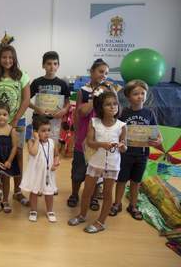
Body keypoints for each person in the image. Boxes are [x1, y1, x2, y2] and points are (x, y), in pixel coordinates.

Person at [68, 90, 127, 233]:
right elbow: (89, 142)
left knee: (107, 194)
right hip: (95, 163)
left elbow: (124, 147)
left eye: (115, 104)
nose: (113, 107)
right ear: (100, 107)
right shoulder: (94, 122)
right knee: (87, 191)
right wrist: (102, 145)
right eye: (108, 104)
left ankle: (101, 222)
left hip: (112, 165)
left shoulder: (122, 126)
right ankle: (82, 215)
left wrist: (122, 146)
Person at [110, 80, 162, 220]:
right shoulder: (123, 113)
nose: (140, 96)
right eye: (135, 94)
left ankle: (133, 205)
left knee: (136, 181)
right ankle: (117, 203)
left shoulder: (149, 113)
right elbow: (116, 131)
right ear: (128, 97)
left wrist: (158, 141)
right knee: (121, 180)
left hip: (142, 154)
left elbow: (157, 135)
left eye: (142, 93)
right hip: (125, 154)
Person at [0, 45, 30, 205]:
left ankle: (18, 191)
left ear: (15, 58)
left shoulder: (22, 76)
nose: (7, 60)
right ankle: (0, 193)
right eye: (4, 57)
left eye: (10, 57)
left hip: (17, 123)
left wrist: (15, 120)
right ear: (0, 59)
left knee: (17, 156)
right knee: (0, 155)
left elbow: (26, 100)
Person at [67, 59, 110, 210]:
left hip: (101, 139)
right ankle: (74, 194)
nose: (103, 75)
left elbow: (114, 112)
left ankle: (93, 197)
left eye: (106, 73)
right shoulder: (83, 91)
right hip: (84, 138)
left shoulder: (109, 92)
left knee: (98, 170)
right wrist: (95, 96)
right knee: (78, 169)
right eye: (100, 71)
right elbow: (81, 113)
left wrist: (106, 94)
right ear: (91, 72)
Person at [20, 116, 60, 222]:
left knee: (49, 192)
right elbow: (33, 152)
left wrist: (56, 163)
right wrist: (37, 138)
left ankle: (50, 210)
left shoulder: (52, 142)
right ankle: (33, 210)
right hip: (36, 173)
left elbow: (56, 155)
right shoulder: (31, 142)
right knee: (34, 192)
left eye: (48, 130)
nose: (47, 133)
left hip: (48, 173)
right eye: (43, 131)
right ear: (36, 132)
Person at [29, 51, 70, 142]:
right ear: (43, 65)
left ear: (58, 65)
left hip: (54, 121)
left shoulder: (62, 84)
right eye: (49, 64)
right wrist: (37, 108)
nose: (52, 67)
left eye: (55, 64)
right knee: (37, 144)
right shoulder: (37, 82)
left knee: (52, 144)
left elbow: (67, 102)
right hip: (38, 119)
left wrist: (64, 110)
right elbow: (26, 100)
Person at [0, 103, 18, 213]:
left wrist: (9, 160)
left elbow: (15, 146)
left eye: (4, 114)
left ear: (9, 116)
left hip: (7, 159)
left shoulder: (12, 130)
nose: (1, 117)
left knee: (6, 180)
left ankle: (5, 200)